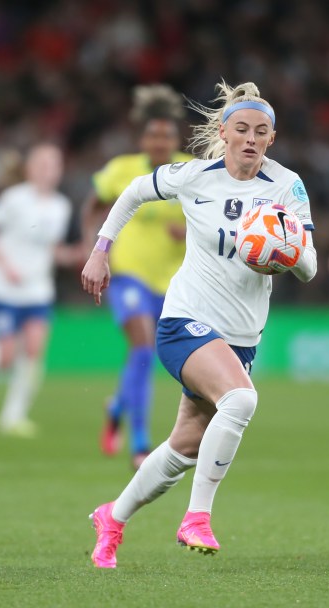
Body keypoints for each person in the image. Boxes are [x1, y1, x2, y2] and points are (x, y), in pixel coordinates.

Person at [81, 81, 317, 568]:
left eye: (262, 132)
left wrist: (286, 251)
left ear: (272, 139)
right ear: (225, 132)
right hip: (185, 320)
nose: (251, 138)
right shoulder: (195, 176)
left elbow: (311, 266)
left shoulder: (287, 187)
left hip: (241, 337)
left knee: (184, 446)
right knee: (242, 398)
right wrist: (101, 251)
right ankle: (197, 518)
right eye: (242, 129)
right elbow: (132, 192)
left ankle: (113, 516)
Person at [80, 85, 193, 469]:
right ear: (142, 138)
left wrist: (189, 233)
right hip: (128, 276)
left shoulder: (190, 173)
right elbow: (92, 207)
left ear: (176, 139)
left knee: (151, 355)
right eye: (153, 134)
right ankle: (141, 444)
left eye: (166, 134)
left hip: (174, 281)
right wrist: (92, 248)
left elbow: (208, 223)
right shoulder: (122, 170)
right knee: (143, 346)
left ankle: (117, 405)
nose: (159, 141)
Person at [0, 144, 78, 437]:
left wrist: (73, 255)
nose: (49, 170)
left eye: (54, 164)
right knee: (5, 359)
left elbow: (50, 249)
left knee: (34, 351)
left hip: (38, 291)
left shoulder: (62, 206)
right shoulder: (14, 199)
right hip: (3, 288)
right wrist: (5, 264)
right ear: (30, 169)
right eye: (43, 164)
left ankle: (13, 417)